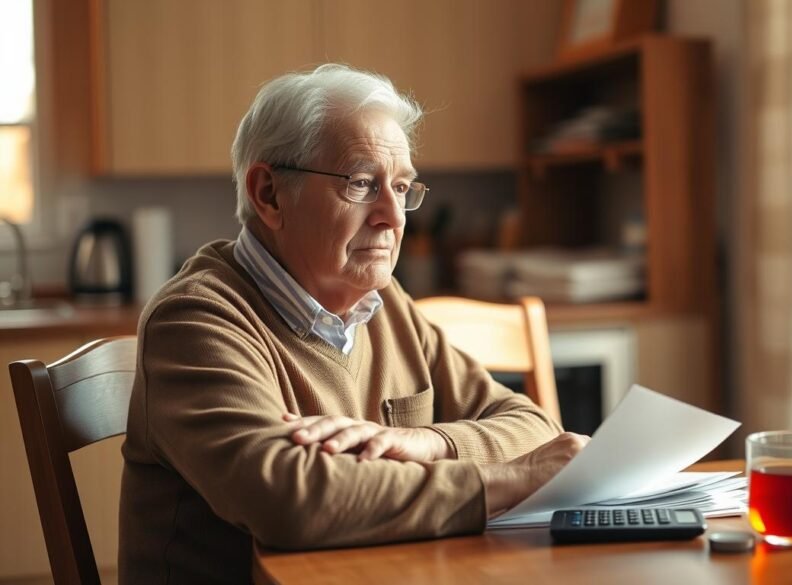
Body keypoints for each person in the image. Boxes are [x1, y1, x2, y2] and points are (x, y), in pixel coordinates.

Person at [119, 64, 588, 584]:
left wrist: (430, 442)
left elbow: (535, 428)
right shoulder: (196, 321)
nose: (394, 215)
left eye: (403, 186)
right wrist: (514, 478)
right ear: (269, 194)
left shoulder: (385, 302)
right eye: (363, 184)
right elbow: (292, 502)